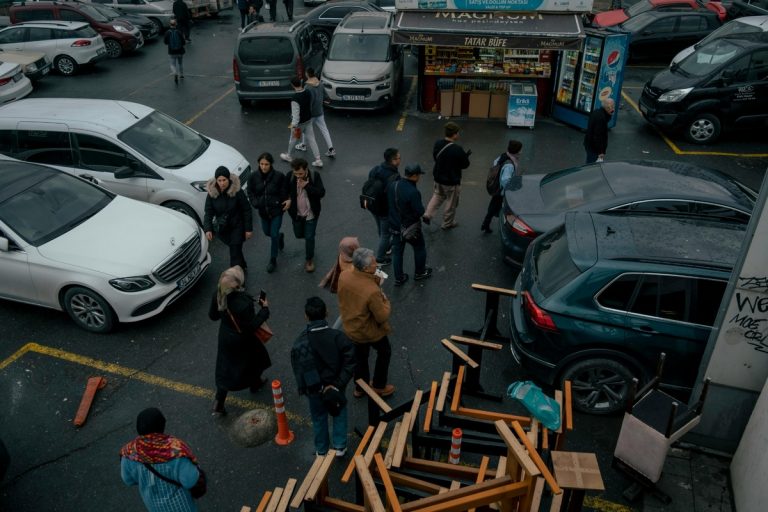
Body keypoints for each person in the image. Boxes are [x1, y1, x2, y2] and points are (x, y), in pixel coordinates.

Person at [291, 296, 355, 456]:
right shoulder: (338, 337)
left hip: (315, 390)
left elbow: (299, 369)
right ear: (326, 312)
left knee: (319, 418)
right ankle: (340, 446)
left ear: (306, 316)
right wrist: (338, 384)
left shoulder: (300, 342)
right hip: (336, 387)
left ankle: (321, 449)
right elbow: (350, 361)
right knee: (339, 412)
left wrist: (314, 387)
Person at [208, 266, 271, 415]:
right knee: (254, 360)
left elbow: (213, 316)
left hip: (226, 337)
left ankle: (219, 401)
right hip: (243, 339)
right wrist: (265, 310)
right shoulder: (243, 303)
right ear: (237, 284)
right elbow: (251, 327)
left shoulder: (217, 294)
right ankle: (255, 383)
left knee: (226, 368)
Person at [120, 407, 203, 512]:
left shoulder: (129, 453)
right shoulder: (175, 451)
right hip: (181, 507)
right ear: (162, 426)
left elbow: (128, 480)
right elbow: (190, 481)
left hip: (153, 506)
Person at [337, 247, 395, 398]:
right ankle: (379, 385)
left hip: (351, 327)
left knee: (360, 358)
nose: (377, 265)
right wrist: (385, 300)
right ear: (365, 268)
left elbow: (376, 274)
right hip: (369, 331)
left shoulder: (344, 275)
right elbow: (382, 316)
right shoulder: (372, 291)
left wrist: (378, 274)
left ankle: (360, 388)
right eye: (374, 264)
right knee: (384, 352)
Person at [388, 163, 432, 286]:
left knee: (397, 253)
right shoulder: (413, 192)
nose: (419, 177)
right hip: (410, 227)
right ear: (414, 175)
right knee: (419, 248)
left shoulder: (393, 185)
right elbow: (420, 211)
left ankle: (399, 278)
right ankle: (420, 272)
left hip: (394, 225)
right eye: (419, 175)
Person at [423, 122, 471, 230]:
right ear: (454, 134)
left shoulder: (438, 143)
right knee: (451, 203)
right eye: (458, 133)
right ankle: (447, 223)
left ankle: (428, 214)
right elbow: (465, 165)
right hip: (451, 181)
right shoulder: (457, 149)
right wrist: (465, 157)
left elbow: (436, 157)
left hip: (438, 178)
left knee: (437, 196)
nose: (458, 135)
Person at [203, 166, 253, 270]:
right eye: (219, 180)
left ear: (228, 179)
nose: (222, 183)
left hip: (237, 226)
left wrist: (248, 228)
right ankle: (242, 265)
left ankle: (235, 281)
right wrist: (208, 229)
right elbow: (208, 212)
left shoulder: (237, 191)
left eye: (224, 180)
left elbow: (246, 209)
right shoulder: (212, 193)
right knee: (235, 250)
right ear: (216, 180)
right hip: (223, 229)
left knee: (234, 253)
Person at [247, 152, 289, 274]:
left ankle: (273, 259)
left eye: (266, 164)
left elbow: (284, 191)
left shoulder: (279, 176)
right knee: (267, 232)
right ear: (258, 164)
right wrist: (255, 203)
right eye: (261, 164)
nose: (264, 167)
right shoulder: (253, 177)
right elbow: (250, 192)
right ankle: (280, 237)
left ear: (271, 164)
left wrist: (283, 201)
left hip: (276, 211)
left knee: (273, 234)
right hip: (263, 212)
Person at [287, 157, 326, 273]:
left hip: (311, 214)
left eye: (300, 173)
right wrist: (288, 199)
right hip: (297, 214)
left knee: (309, 237)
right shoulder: (290, 176)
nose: (298, 176)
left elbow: (321, 193)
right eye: (296, 173)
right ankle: (308, 236)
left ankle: (309, 259)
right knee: (298, 235)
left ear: (306, 169)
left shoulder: (314, 176)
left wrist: (306, 186)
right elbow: (284, 190)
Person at [367, 148, 401, 266]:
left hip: (373, 205)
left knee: (381, 230)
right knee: (386, 234)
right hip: (385, 209)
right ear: (393, 160)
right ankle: (380, 258)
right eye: (398, 158)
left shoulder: (376, 169)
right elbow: (396, 195)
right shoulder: (394, 176)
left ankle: (385, 247)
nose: (400, 160)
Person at [481, 140, 522, 234]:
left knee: (493, 206)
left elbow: (495, 163)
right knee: (506, 209)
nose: (521, 151)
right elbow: (505, 181)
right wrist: (512, 188)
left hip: (497, 188)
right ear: (517, 151)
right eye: (520, 149)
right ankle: (506, 229)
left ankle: (485, 224)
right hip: (502, 190)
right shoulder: (509, 165)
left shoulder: (504, 155)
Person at [281, 77, 322, 168]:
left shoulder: (295, 98)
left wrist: (293, 126)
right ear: (301, 82)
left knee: (293, 140)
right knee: (312, 140)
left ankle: (288, 156)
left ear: (292, 85)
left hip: (299, 125)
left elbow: (296, 116)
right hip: (308, 120)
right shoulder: (307, 92)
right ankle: (318, 159)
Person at [296, 68, 335, 158]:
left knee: (305, 130)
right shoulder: (320, 84)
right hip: (320, 112)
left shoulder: (307, 87)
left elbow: (307, 102)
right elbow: (326, 97)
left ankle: (303, 145)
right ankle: (331, 149)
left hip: (311, 113)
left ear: (307, 74)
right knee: (325, 130)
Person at [584, 97, 615, 164]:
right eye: (612, 107)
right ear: (608, 108)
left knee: (590, 165)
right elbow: (598, 136)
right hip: (594, 149)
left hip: (589, 144)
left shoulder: (597, 112)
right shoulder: (601, 119)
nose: (613, 109)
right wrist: (600, 152)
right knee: (591, 167)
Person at [163, 18, 185, 84]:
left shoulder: (167, 33)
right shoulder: (179, 32)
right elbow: (183, 42)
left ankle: (175, 73)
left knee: (172, 64)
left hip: (171, 52)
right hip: (180, 51)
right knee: (180, 63)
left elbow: (165, 42)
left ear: (170, 24)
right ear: (176, 24)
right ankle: (181, 75)